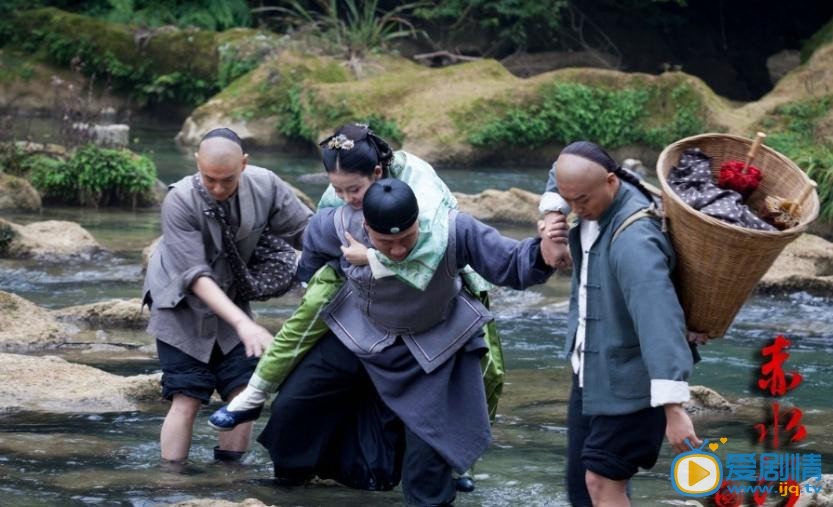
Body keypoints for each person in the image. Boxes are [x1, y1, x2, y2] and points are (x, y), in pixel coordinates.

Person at [209, 123, 507, 491]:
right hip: (359, 285)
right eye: (338, 188)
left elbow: (431, 244)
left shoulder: (419, 182)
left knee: (488, 367)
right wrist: (307, 271)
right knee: (305, 319)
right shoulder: (343, 195)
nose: (347, 196)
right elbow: (322, 227)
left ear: (378, 172)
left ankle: (463, 463)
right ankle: (254, 396)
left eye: (354, 188)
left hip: (439, 281)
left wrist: (372, 257)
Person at [253, 178, 563, 505]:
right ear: (366, 228)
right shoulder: (341, 223)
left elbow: (511, 263)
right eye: (386, 243)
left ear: (419, 221)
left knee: (427, 465)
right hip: (361, 335)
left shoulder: (454, 230)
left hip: (435, 347)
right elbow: (312, 252)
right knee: (294, 406)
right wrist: (308, 274)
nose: (399, 250)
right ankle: (292, 490)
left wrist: (543, 254)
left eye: (407, 239)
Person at [538, 141, 701, 506]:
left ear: (612, 182)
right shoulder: (590, 193)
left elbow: (658, 321)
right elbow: (560, 175)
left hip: (632, 384)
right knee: (581, 485)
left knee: (601, 480)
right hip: (591, 370)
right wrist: (552, 219)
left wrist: (673, 410)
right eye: (571, 202)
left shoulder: (634, 241)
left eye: (582, 202)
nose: (576, 210)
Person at [142, 127, 312, 464]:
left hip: (231, 295)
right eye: (209, 179)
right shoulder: (179, 200)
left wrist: (355, 258)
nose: (218, 189)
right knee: (187, 395)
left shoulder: (267, 185)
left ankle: (229, 476)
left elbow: (306, 231)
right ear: (196, 163)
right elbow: (195, 277)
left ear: (244, 164)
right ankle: (170, 484)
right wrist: (244, 324)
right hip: (180, 304)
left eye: (228, 180)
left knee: (244, 391)